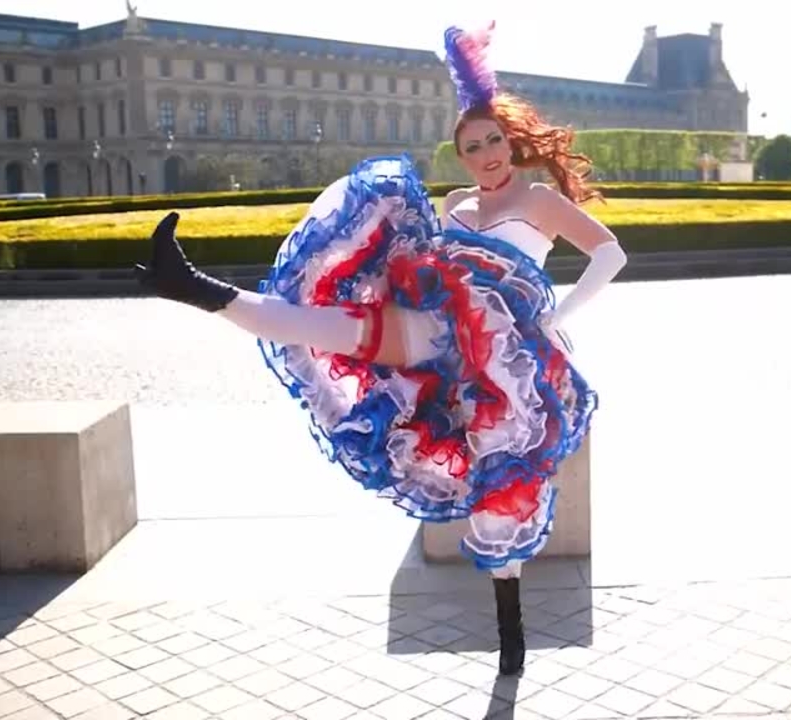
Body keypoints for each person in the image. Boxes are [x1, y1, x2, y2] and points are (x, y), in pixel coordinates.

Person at [134, 21, 627, 676]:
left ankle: (510, 629)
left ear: (512, 140)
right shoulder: (457, 205)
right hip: (437, 330)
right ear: (461, 156)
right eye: (472, 146)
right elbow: (437, 267)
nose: (485, 153)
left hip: (505, 362)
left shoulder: (537, 198)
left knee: (499, 491)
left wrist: (556, 315)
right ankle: (192, 286)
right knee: (321, 326)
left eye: (493, 140)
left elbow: (610, 253)